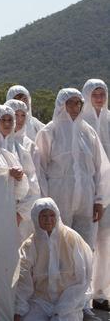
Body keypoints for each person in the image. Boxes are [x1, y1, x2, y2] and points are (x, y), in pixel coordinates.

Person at [35, 88, 110, 248]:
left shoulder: (88, 132)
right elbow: (39, 169)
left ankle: (84, 274)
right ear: (62, 105)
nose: (75, 108)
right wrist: (44, 202)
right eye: (70, 103)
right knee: (59, 244)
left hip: (86, 199)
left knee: (85, 245)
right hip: (59, 197)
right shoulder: (49, 131)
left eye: (78, 103)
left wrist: (99, 200)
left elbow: (101, 168)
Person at [14, 198, 94, 321]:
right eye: (44, 216)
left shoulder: (72, 239)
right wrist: (19, 310)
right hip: (40, 301)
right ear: (36, 218)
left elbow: (82, 278)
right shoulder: (30, 245)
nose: (48, 220)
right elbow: (24, 282)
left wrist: (64, 307)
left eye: (52, 215)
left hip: (68, 302)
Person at [80, 79, 110, 312]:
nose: (99, 98)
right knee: (85, 243)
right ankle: (82, 295)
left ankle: (100, 294)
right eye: (95, 94)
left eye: (103, 94)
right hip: (86, 191)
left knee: (105, 244)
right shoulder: (81, 121)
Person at [0, 104, 41, 239]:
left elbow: (33, 186)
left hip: (16, 217)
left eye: (10, 120)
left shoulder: (21, 151)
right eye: (3, 120)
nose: (7, 124)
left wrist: (20, 214)